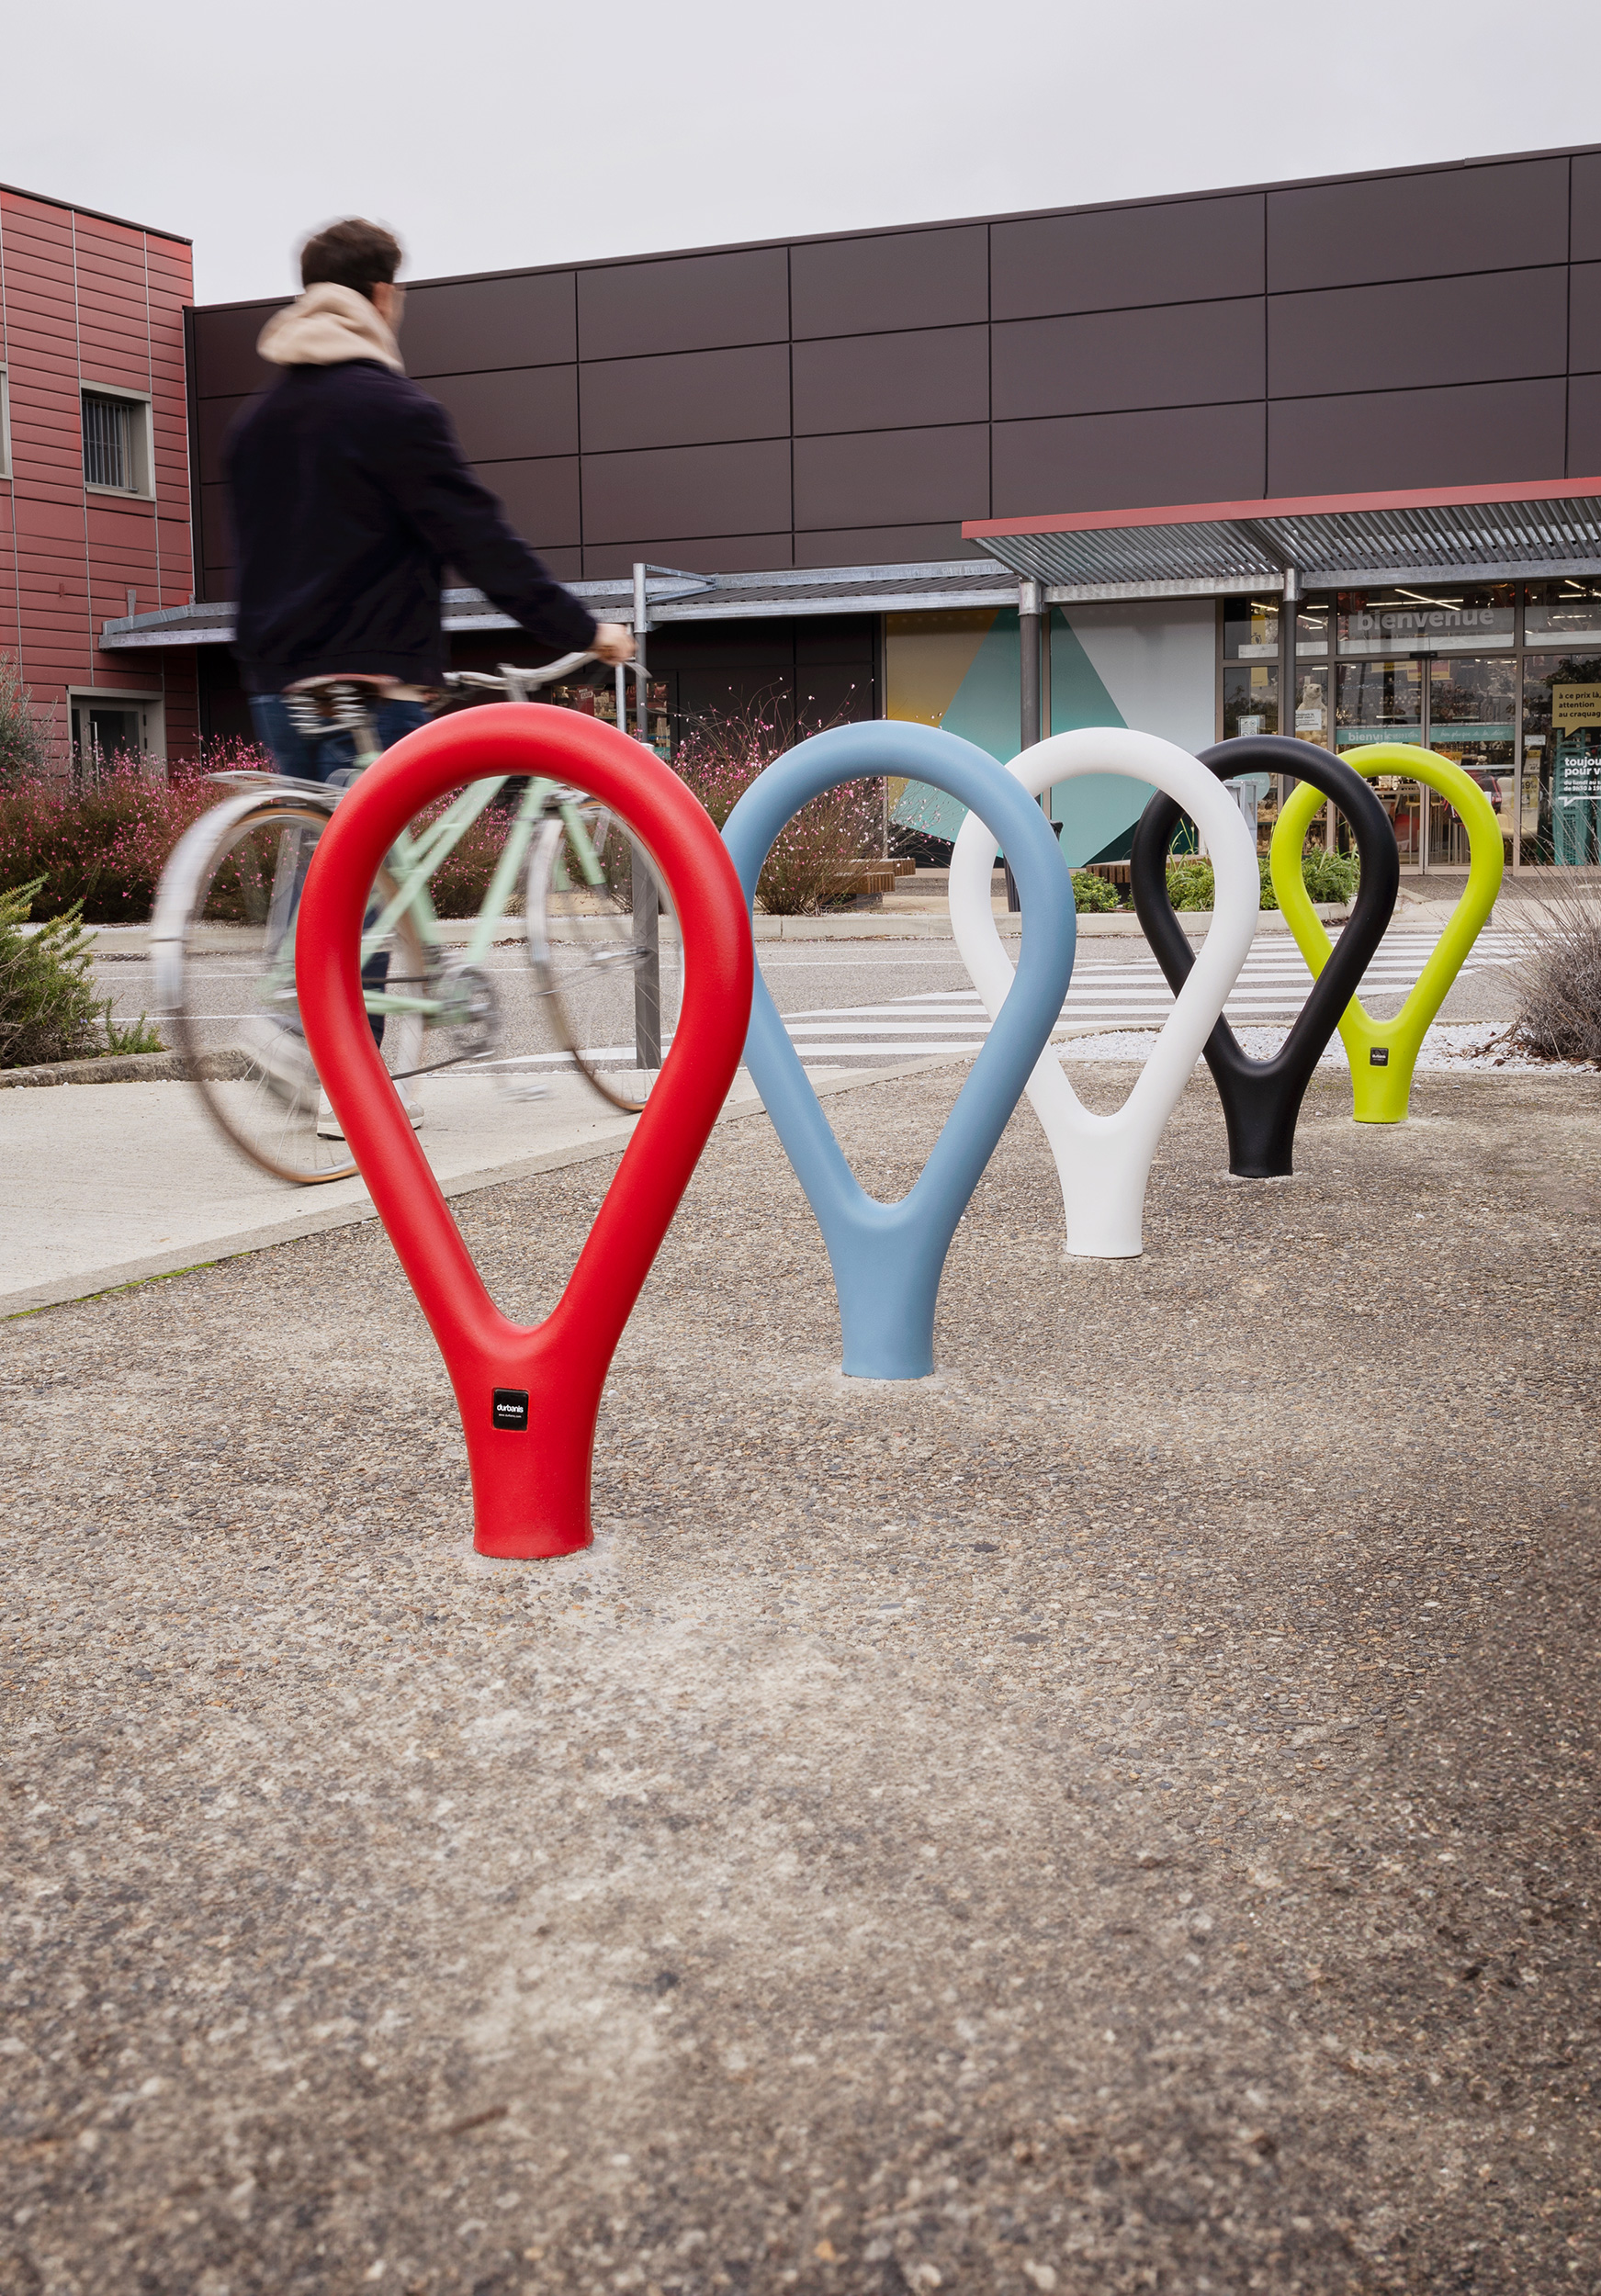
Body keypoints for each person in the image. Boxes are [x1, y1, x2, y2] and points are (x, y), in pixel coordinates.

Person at [224, 218, 634, 1128]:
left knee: (331, 849)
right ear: (382, 297)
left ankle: (325, 1055)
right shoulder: (395, 411)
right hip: (374, 675)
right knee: (364, 865)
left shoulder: (255, 423)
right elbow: (481, 541)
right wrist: (583, 629)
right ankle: (319, 1050)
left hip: (278, 676)